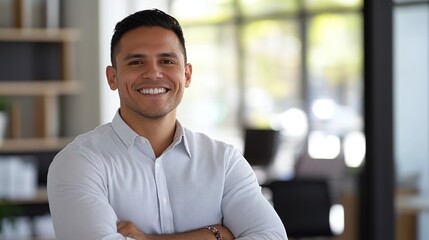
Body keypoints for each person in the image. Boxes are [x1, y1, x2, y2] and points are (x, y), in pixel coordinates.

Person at [47, 8, 287, 240]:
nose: (153, 73)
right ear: (113, 77)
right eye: (136, 62)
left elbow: (272, 236)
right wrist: (216, 235)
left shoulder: (224, 161)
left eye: (167, 61)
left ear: (187, 75)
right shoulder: (79, 163)